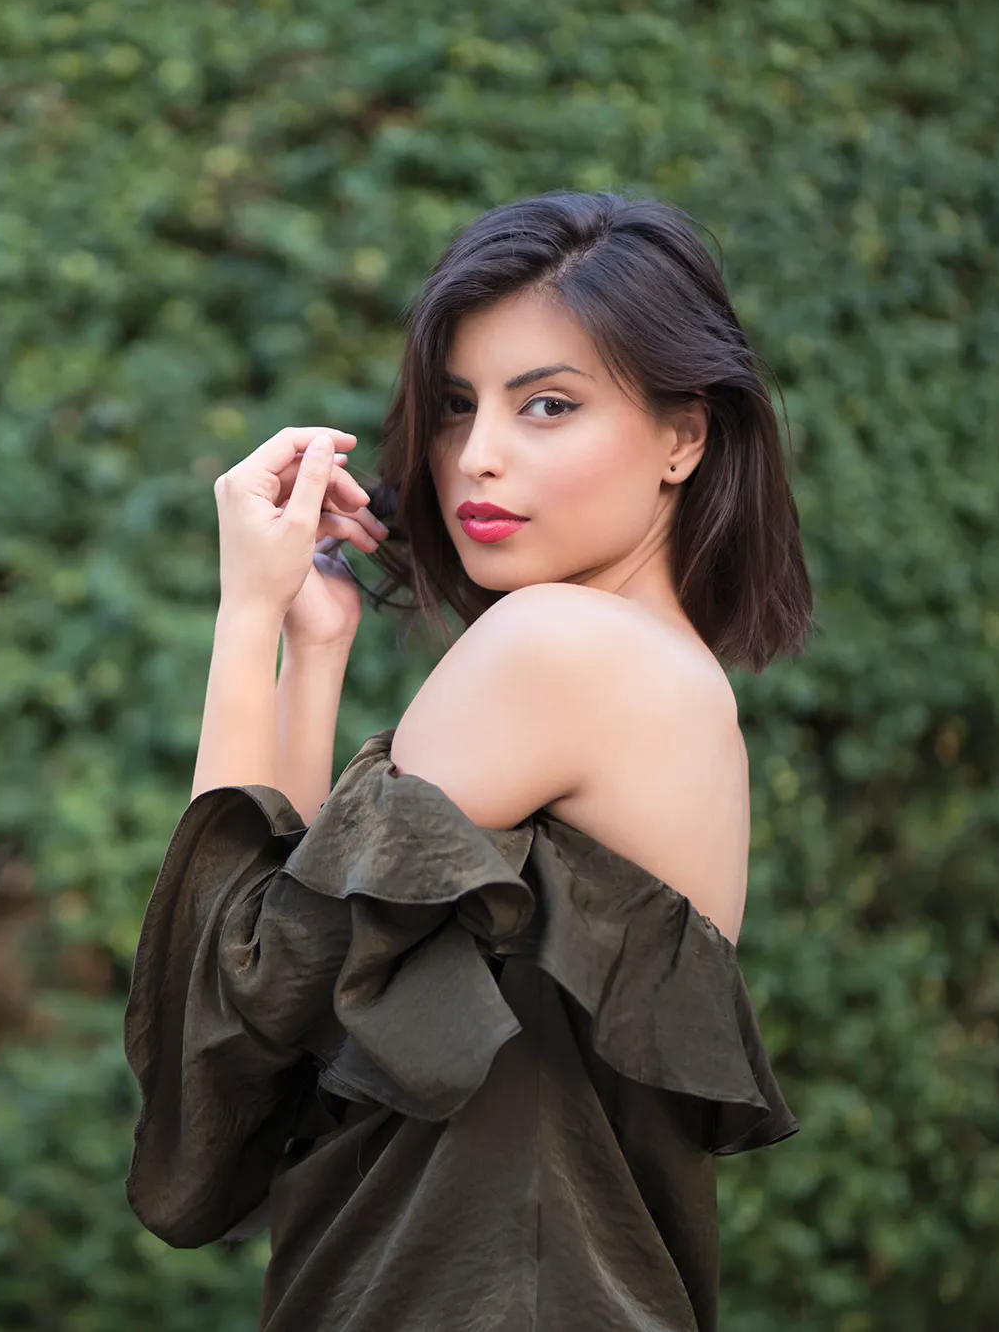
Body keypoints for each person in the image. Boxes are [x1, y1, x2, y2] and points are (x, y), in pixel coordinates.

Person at [124, 191, 811, 1331]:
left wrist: (244, 613)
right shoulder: (670, 679)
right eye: (454, 405)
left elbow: (225, 1026)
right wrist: (314, 643)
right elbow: (294, 1010)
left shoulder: (555, 646)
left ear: (683, 436)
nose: (474, 456)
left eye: (546, 403)